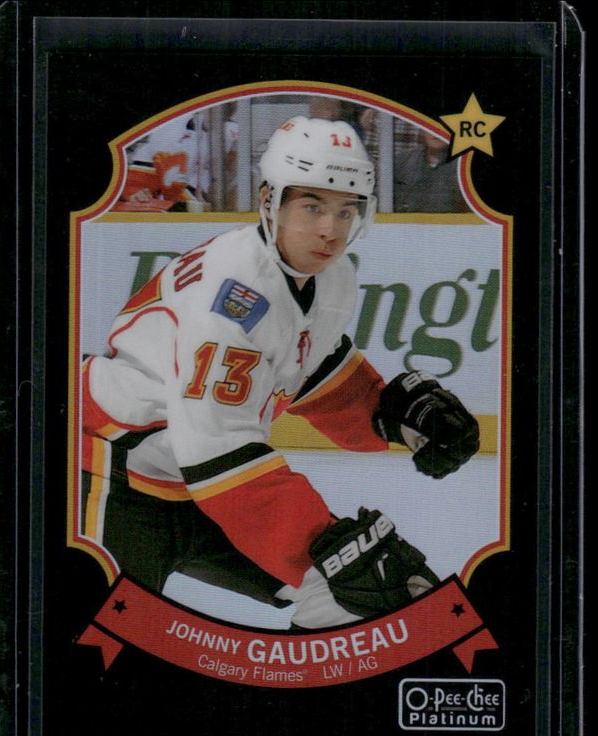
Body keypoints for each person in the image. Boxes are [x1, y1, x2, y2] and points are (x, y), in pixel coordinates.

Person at [82, 116, 479, 629]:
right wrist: (321, 542)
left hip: (198, 483)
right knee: (99, 644)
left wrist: (390, 416)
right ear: (269, 200)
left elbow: (312, 373)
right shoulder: (231, 295)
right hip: (108, 473)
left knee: (354, 597)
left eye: (345, 210)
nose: (330, 230)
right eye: (312, 207)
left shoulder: (330, 276)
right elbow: (219, 452)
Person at [393, 129, 469, 213]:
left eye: (443, 127)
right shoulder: (402, 161)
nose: (437, 132)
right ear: (422, 130)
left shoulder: (466, 165)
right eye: (431, 126)